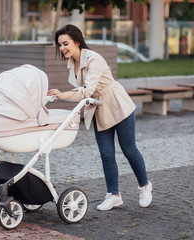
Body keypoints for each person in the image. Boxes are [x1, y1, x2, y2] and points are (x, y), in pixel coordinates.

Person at [48, 24, 152, 211]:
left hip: (117, 104)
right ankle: (114, 195)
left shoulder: (94, 59)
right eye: (60, 45)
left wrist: (63, 95)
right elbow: (86, 93)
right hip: (98, 108)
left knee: (129, 149)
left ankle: (144, 186)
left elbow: (87, 89)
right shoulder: (72, 63)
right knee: (106, 154)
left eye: (65, 44)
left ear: (77, 41)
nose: (62, 48)